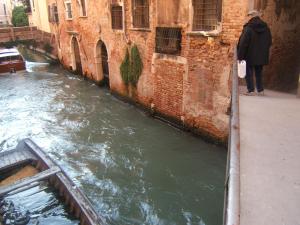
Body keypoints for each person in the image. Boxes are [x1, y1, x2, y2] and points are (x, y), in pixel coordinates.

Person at [238, 10, 272, 96]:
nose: (247, 17)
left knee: (248, 73)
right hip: (261, 56)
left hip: (249, 55)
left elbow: (243, 43)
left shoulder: (248, 28)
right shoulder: (266, 28)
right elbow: (269, 42)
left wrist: (240, 56)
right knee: (259, 73)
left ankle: (251, 90)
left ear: (251, 16)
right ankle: (260, 90)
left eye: (248, 15)